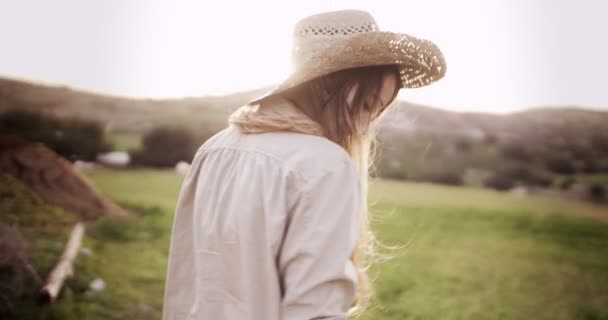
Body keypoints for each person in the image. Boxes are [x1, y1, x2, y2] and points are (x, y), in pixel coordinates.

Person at [162, 9, 446, 320]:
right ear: (328, 86)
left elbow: (185, 278)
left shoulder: (215, 147)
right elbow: (314, 308)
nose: (365, 128)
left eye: (376, 113)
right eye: (366, 105)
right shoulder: (325, 164)